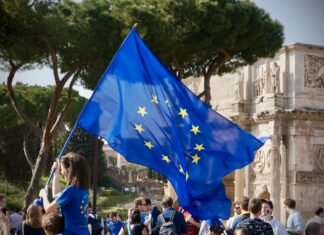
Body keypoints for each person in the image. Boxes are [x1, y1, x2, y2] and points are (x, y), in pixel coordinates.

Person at [39, 152, 91, 235]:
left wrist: (44, 195)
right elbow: (55, 195)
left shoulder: (70, 190)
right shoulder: (85, 190)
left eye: (61, 169)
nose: (61, 172)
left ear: (69, 169)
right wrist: (55, 173)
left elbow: (48, 209)